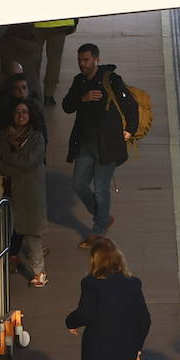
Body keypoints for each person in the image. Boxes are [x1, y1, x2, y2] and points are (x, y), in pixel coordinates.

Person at [61, 43, 138, 248]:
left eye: (85, 60)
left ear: (96, 59)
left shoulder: (111, 80)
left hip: (107, 146)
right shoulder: (79, 82)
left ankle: (98, 230)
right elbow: (66, 106)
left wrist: (131, 129)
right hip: (85, 144)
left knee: (101, 189)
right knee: (78, 184)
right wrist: (82, 98)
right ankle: (103, 216)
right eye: (79, 60)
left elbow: (129, 103)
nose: (82, 64)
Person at [0, 100, 49, 287]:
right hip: (7, 191)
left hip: (30, 191)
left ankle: (39, 273)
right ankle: (3, 264)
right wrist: (15, 165)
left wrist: (8, 161)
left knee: (32, 232)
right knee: (5, 228)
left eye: (25, 112)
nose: (21, 116)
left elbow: (29, 162)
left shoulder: (37, 137)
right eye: (17, 112)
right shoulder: (1, 135)